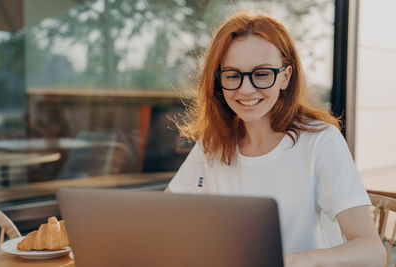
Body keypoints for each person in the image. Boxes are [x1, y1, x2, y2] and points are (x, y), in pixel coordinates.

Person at [164, 10, 386, 266]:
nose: (246, 89)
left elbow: (372, 251)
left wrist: (285, 262)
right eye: (233, 75)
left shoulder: (321, 142)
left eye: (261, 74)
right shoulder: (212, 143)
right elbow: (162, 221)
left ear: (285, 76)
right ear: (218, 81)